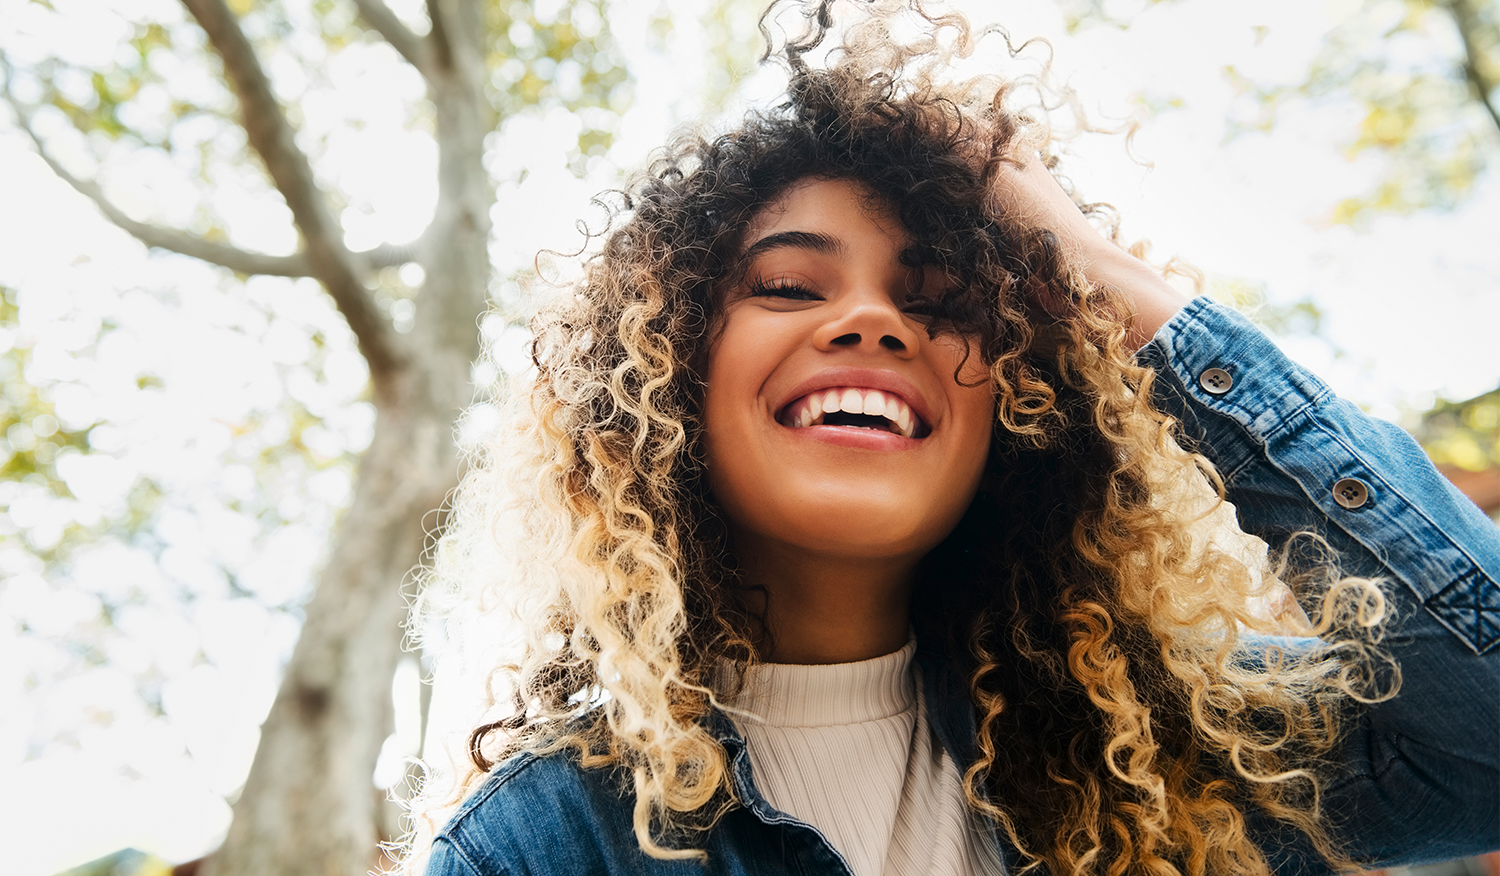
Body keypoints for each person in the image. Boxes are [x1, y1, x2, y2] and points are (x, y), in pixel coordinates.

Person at [403, 3, 1500, 874]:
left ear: (1021, 414)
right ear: (670, 382)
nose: (875, 320)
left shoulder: (1181, 752)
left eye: (935, 299)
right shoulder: (539, 846)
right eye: (789, 283)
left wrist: (1115, 285)